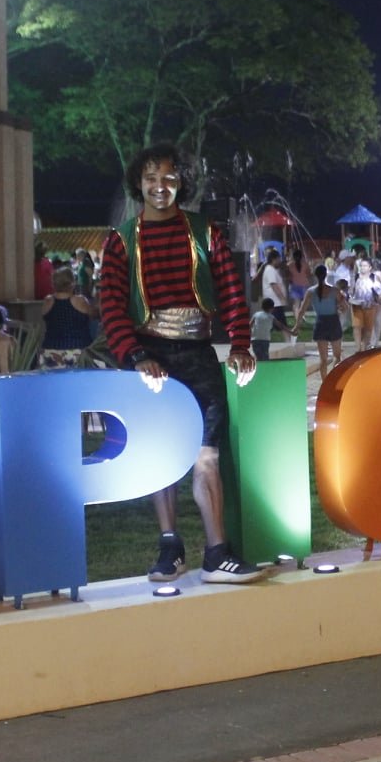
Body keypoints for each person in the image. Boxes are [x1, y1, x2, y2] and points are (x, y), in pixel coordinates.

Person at [98, 142, 266, 585]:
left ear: (181, 183)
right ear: (139, 184)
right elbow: (111, 306)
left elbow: (232, 292)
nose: (160, 186)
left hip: (197, 355)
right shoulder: (121, 241)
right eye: (151, 178)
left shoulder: (204, 233)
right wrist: (136, 356)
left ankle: (217, 553)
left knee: (206, 454)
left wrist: (241, 344)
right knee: (160, 457)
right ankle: (170, 548)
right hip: (149, 358)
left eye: (169, 177)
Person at [296, 263, 348, 379]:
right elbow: (345, 307)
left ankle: (324, 382)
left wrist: (296, 326)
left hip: (320, 323)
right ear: (326, 275)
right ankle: (333, 379)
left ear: (315, 276)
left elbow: (301, 311)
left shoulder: (311, 292)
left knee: (323, 359)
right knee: (337, 356)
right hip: (333, 322)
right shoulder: (334, 291)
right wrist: (339, 309)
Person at [249, 296, 276, 361]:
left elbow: (249, 325)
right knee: (265, 355)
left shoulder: (256, 314)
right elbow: (281, 326)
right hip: (265, 340)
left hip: (255, 339)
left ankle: (259, 364)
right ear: (272, 308)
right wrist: (291, 332)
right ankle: (265, 365)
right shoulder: (271, 317)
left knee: (258, 355)